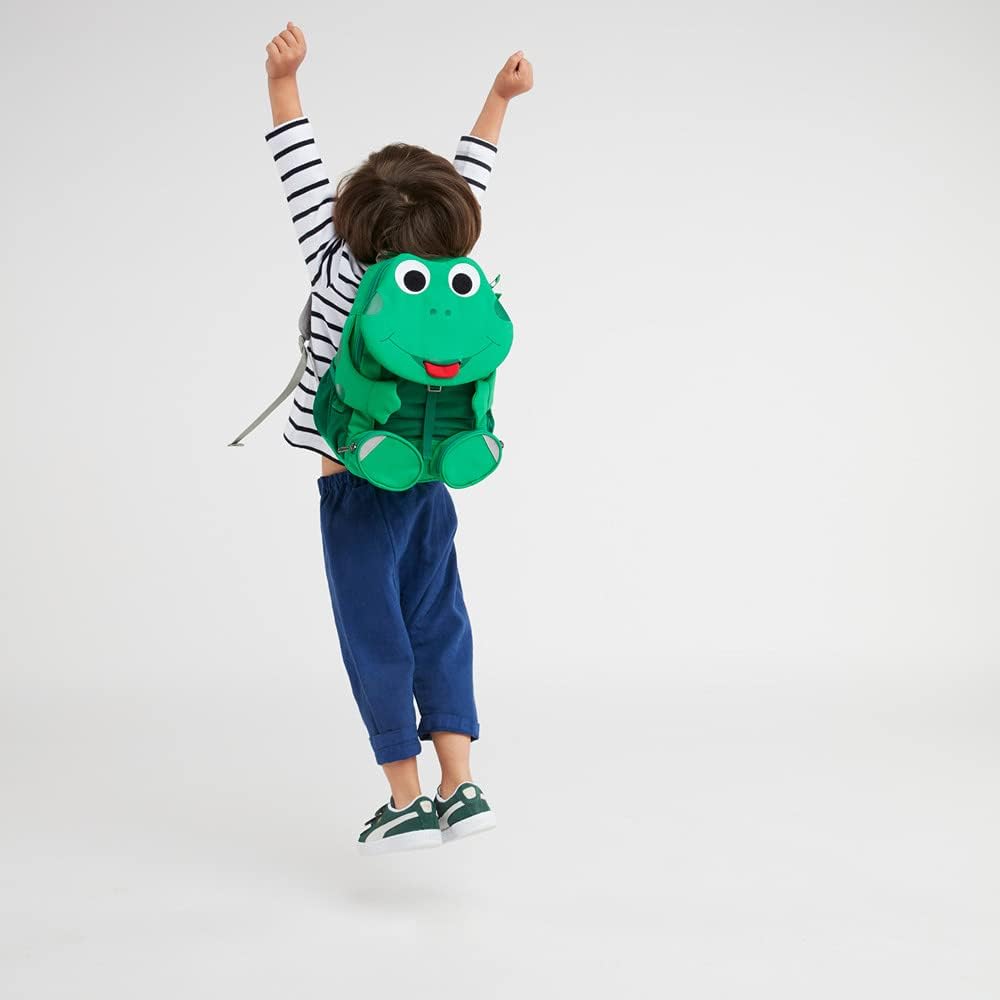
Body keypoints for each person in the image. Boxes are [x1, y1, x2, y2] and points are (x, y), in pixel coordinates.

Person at [262, 22, 533, 854]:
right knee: (439, 621)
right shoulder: (450, 270)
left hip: (354, 486)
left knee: (373, 636)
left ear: (352, 218)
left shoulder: (333, 259)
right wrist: (500, 98)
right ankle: (463, 786)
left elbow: (297, 164)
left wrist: (283, 81)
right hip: (433, 473)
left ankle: (406, 799)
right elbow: (473, 173)